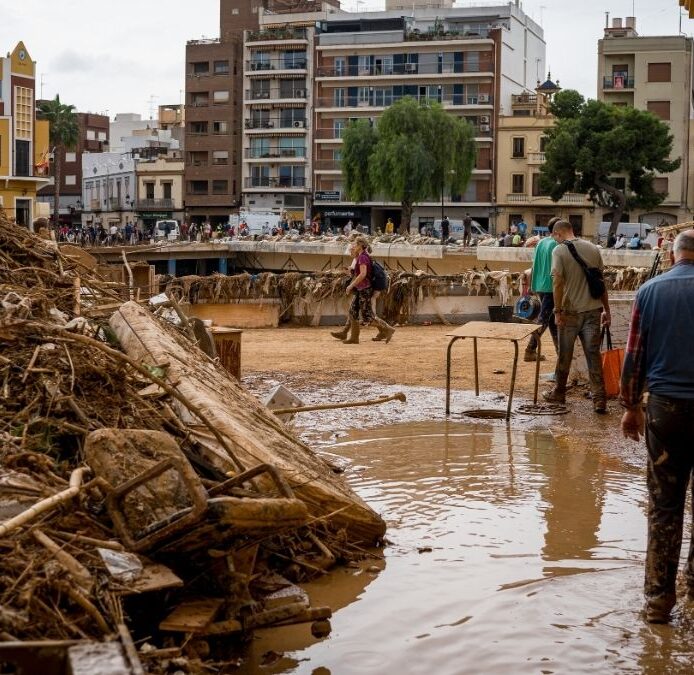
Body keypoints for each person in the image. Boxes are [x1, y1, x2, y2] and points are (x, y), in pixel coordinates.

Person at [620, 229, 694, 624]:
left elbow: (634, 356)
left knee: (665, 507)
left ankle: (658, 603)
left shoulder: (649, 292)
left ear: (672, 256)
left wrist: (631, 406)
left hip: (665, 411)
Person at [542, 219, 611, 413]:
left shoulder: (559, 251)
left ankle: (559, 392)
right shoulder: (593, 248)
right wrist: (607, 310)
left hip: (569, 312)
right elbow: (601, 282)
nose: (554, 240)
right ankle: (599, 399)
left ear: (558, 234)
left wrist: (557, 311)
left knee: (565, 354)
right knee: (593, 355)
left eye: (554, 237)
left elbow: (557, 283)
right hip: (593, 311)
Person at [340, 237, 395, 345]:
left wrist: (351, 286)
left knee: (367, 317)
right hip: (362, 288)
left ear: (360, 245)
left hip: (365, 289)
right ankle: (354, 338)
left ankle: (388, 329)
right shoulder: (362, 256)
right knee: (353, 312)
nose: (353, 247)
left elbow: (363, 274)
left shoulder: (363, 258)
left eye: (355, 245)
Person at [523, 217, 560, 363]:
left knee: (551, 321)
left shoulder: (541, 242)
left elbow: (534, 265)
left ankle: (559, 351)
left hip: (540, 285)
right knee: (544, 319)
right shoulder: (557, 245)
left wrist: (532, 285)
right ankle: (530, 350)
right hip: (551, 287)